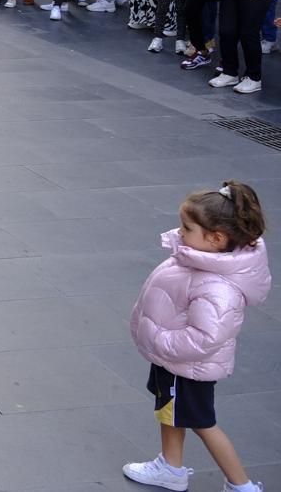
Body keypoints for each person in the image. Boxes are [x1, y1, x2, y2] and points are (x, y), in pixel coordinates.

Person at [123, 181, 270, 492]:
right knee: (169, 412)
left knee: (203, 424)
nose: (179, 234)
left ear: (216, 239)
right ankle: (170, 467)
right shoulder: (197, 259)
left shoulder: (217, 286)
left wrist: (158, 339)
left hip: (185, 367)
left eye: (186, 228)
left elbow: (204, 338)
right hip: (173, 363)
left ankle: (241, 485)